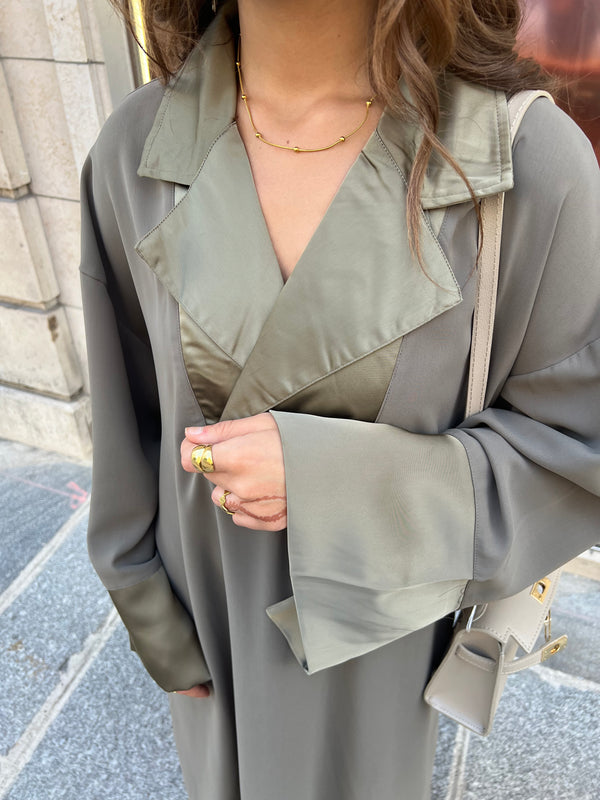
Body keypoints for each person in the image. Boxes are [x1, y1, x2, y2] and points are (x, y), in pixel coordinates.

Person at [79, 1, 600, 798]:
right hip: (211, 630)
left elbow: (574, 447)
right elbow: (129, 412)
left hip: (383, 658)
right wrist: (145, 604)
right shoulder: (135, 146)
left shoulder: (529, 159)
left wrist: (337, 486)